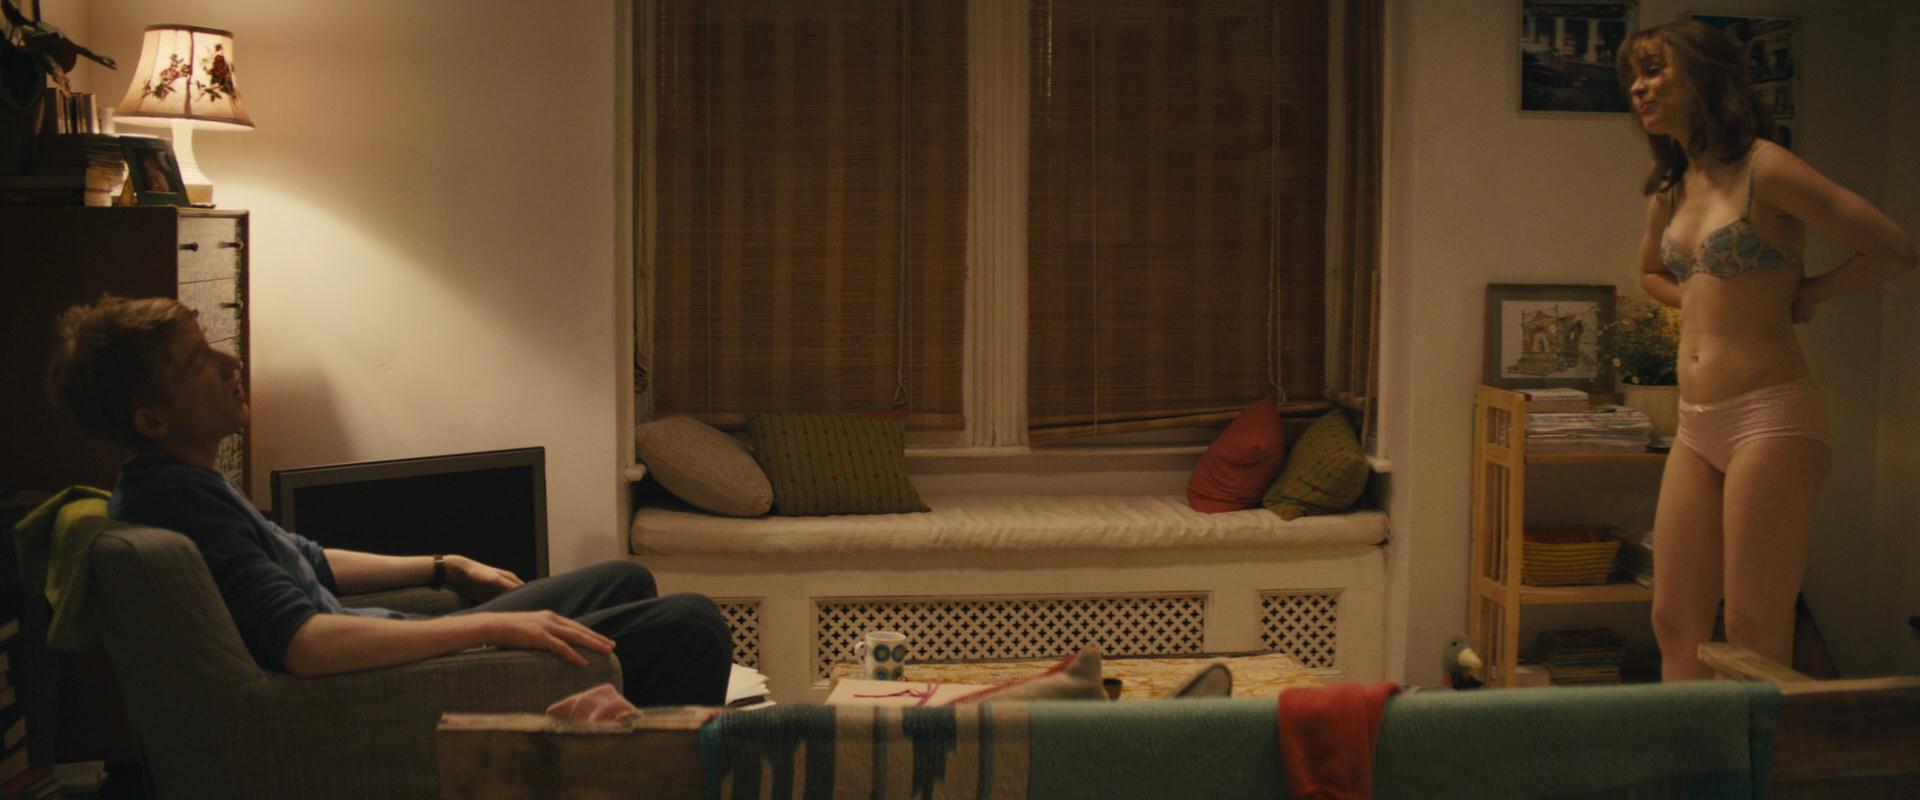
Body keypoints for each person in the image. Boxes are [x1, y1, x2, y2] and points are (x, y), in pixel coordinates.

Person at [44, 295, 731, 706]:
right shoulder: (185, 505)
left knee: (624, 578)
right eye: (198, 362)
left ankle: (606, 743)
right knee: (691, 626)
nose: (230, 364)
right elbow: (307, 646)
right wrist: (491, 630)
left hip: (386, 637)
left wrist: (443, 565)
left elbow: (308, 558)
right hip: (379, 683)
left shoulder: (176, 482)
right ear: (151, 419)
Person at [1617, 22, 1916, 680]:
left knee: (1753, 626)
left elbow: (1893, 249)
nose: (1638, 88)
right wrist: (1702, 296)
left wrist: (1811, 293)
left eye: (1653, 70)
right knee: (1673, 620)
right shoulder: (1672, 188)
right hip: (1695, 426)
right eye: (1633, 76)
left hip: (1770, 416)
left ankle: (1762, 749)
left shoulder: (1766, 168)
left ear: (1703, 75)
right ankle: (1692, 747)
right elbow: (1650, 274)